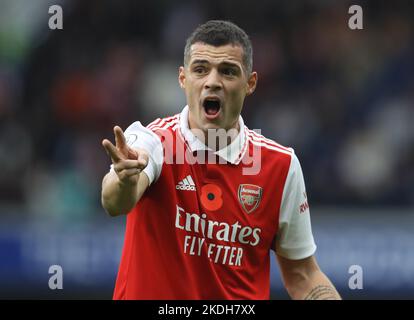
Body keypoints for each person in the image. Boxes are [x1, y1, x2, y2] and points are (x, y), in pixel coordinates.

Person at [101, 20, 341, 300]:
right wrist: (125, 180)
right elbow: (114, 201)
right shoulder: (152, 142)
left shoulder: (281, 166)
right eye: (200, 70)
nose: (212, 82)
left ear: (250, 83)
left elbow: (303, 275)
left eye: (227, 72)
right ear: (183, 79)